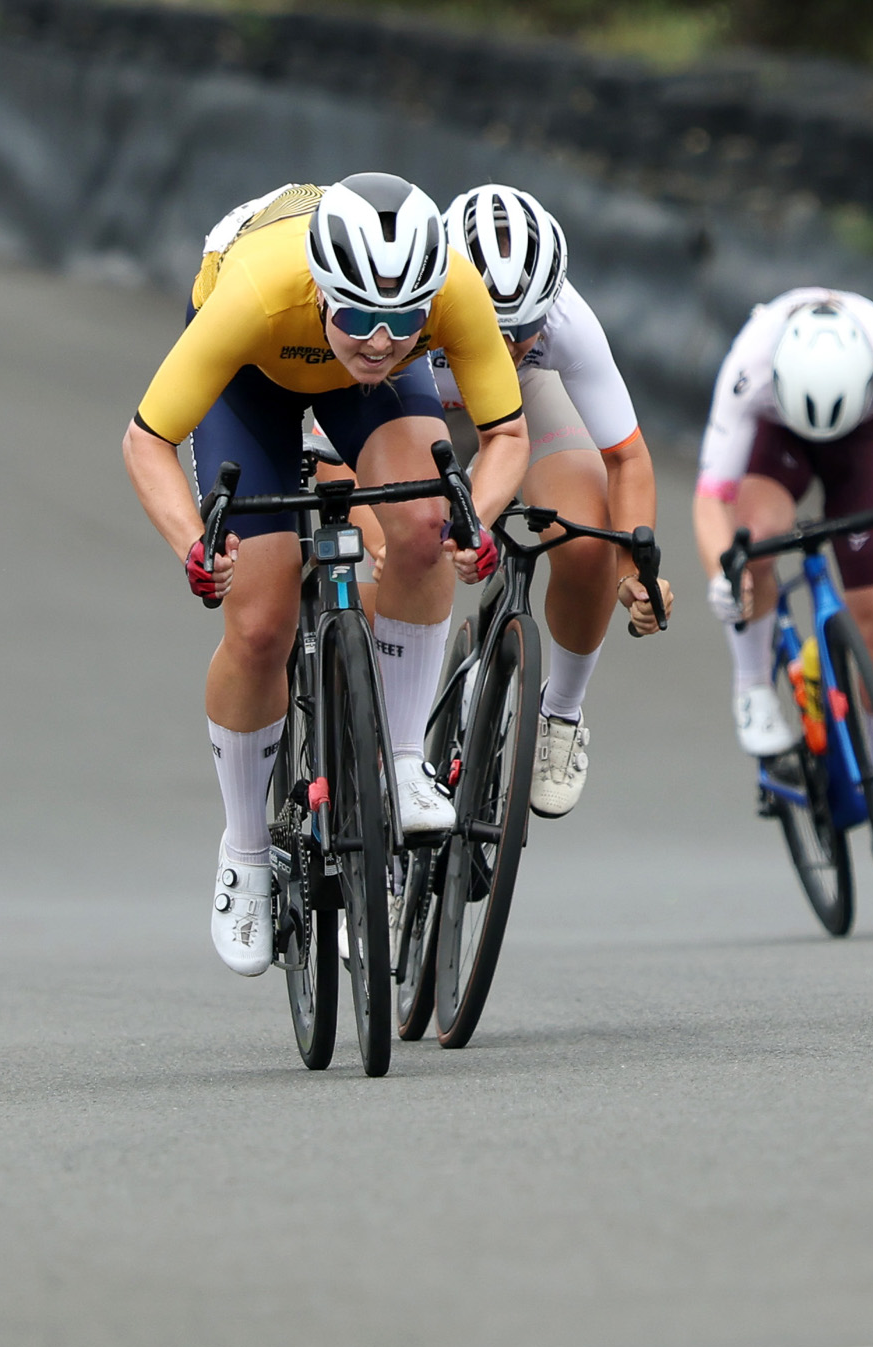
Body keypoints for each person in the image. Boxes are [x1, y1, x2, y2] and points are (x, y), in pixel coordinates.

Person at [122, 174, 529, 977]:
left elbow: (507, 436)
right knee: (260, 623)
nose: (380, 341)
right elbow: (145, 440)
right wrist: (192, 545)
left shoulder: (450, 286)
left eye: (404, 322)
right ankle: (245, 851)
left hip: (360, 396)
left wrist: (471, 520)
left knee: (423, 523)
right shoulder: (255, 292)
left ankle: (402, 759)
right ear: (321, 290)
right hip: (253, 376)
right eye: (360, 317)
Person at [692, 289, 873, 867]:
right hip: (777, 437)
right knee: (753, 540)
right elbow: (711, 497)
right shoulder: (750, 362)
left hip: (867, 436)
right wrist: (724, 572)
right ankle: (752, 687)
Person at [436, 185, 673, 817]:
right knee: (399, 547)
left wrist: (634, 572)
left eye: (523, 331)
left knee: (588, 543)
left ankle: (561, 714)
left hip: (526, 399)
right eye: (494, 331)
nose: (508, 347)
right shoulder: (416, 299)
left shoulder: (569, 323)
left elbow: (627, 458)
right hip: (426, 399)